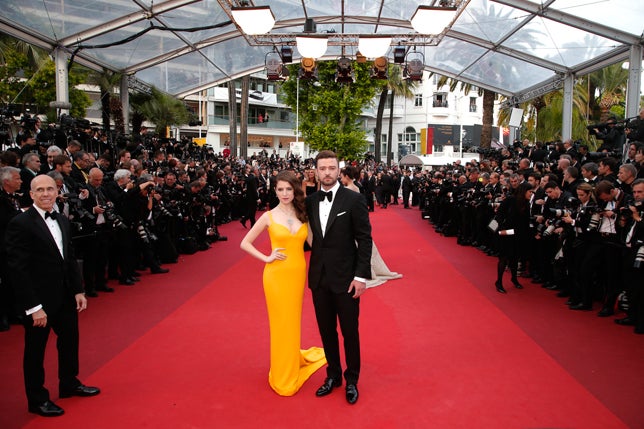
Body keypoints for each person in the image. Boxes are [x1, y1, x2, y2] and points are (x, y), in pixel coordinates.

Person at [5, 175, 100, 417]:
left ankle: (69, 383)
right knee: (35, 351)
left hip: (65, 295)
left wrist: (78, 289)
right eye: (40, 190)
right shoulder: (21, 223)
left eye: (50, 189)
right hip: (38, 301)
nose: (46, 193)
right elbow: (18, 269)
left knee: (69, 341)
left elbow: (68, 258)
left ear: (57, 192)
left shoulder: (61, 220)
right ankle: (37, 399)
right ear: (32, 194)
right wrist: (33, 307)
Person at [240, 170, 326, 396]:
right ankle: (281, 371)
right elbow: (244, 243)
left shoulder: (303, 214)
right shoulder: (268, 216)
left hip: (297, 274)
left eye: (289, 189)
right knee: (279, 323)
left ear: (295, 190)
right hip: (275, 276)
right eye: (280, 189)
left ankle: (291, 359)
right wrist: (266, 257)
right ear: (275, 190)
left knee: (292, 321)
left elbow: (316, 244)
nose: (285, 193)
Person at [306, 150, 372, 405]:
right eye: (322, 168)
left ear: (338, 170)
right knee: (326, 331)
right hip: (319, 278)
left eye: (331, 168)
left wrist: (361, 277)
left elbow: (364, 239)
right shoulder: (311, 201)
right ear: (316, 171)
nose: (327, 173)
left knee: (349, 331)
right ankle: (333, 375)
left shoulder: (354, 199)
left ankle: (352, 379)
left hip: (346, 279)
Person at [340, 166, 402, 288]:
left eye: (341, 176)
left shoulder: (349, 189)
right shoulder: (356, 186)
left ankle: (358, 271)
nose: (340, 179)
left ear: (346, 176)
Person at [494, 182, 532, 293]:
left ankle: (514, 279)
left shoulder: (526, 203)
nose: (531, 194)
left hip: (518, 235)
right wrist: (502, 230)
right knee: (504, 258)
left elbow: (525, 221)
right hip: (506, 233)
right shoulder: (510, 200)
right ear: (523, 191)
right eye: (530, 192)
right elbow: (499, 215)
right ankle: (499, 282)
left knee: (515, 258)